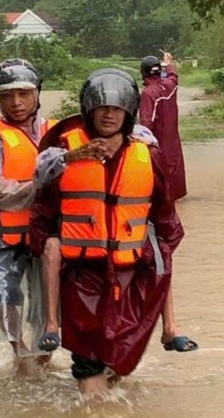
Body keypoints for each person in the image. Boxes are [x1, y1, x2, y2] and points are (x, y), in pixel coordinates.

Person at [30, 68, 187, 395]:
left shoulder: (147, 154)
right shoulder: (64, 149)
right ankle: (93, 399)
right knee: (87, 360)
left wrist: (155, 251)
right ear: (88, 109)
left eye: (117, 108)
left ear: (128, 111)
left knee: (120, 359)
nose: (109, 114)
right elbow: (43, 201)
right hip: (81, 275)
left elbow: (166, 218)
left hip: (131, 275)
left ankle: (166, 332)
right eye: (102, 107)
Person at [0, 58, 62, 368]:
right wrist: (36, 187)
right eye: (7, 96)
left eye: (23, 94)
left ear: (37, 94)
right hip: (4, 238)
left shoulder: (54, 131)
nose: (16, 102)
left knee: (48, 306)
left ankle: (44, 363)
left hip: (47, 237)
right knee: (4, 301)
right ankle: (19, 361)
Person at [139, 52, 187, 201]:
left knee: (158, 170)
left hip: (157, 140)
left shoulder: (148, 93)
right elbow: (174, 77)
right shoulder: (169, 85)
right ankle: (175, 195)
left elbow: (147, 122)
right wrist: (169, 63)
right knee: (173, 166)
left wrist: (141, 142)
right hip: (172, 138)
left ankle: (163, 198)